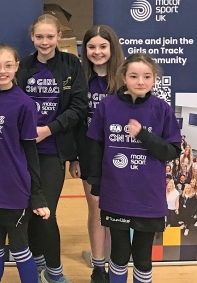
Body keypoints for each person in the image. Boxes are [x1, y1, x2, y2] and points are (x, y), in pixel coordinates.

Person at [87, 53, 181, 283]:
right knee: (118, 254)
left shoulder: (162, 109)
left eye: (147, 76)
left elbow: (171, 151)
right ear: (123, 77)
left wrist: (143, 135)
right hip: (116, 193)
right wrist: (97, 185)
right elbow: (95, 147)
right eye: (134, 76)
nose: (141, 81)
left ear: (154, 78)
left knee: (142, 256)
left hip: (147, 196)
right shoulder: (107, 105)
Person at [16, 14, 88, 283]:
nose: (44, 42)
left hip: (53, 151)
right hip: (23, 151)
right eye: (39, 37)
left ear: (59, 37)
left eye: (50, 36)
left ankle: (55, 272)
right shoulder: (23, 66)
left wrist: (48, 129)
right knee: (28, 214)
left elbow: (79, 107)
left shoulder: (71, 64)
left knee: (45, 211)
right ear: (32, 38)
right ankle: (37, 264)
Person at [0, 43, 50, 283]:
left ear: (17, 66)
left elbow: (31, 151)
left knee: (19, 248)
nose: (2, 71)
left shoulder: (24, 104)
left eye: (8, 65)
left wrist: (36, 195)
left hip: (16, 190)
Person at [68, 25, 124, 283]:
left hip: (119, 153)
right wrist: (75, 157)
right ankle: (98, 266)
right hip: (90, 153)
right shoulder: (80, 80)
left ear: (112, 49)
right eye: (92, 47)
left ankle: (117, 263)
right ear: (84, 50)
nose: (97, 52)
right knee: (96, 207)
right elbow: (75, 123)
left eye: (103, 46)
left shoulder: (124, 80)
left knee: (116, 209)